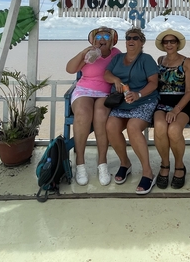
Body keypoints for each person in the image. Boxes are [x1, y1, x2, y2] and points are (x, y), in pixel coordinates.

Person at [104, 27, 159, 195]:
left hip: (144, 100)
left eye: (135, 38)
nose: (131, 40)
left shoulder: (146, 59)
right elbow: (106, 73)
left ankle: (148, 172)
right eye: (128, 37)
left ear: (141, 42)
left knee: (133, 128)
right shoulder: (118, 58)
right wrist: (115, 80)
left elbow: (154, 83)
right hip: (123, 102)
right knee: (111, 127)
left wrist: (138, 94)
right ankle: (125, 163)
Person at [65, 27, 121, 186]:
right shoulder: (88, 53)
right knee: (82, 114)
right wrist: (84, 53)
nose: (101, 39)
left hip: (105, 93)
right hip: (84, 90)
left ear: (111, 41)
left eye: (106, 36)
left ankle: (102, 162)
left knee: (101, 115)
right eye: (98, 36)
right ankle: (80, 163)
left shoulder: (116, 54)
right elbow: (70, 69)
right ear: (93, 39)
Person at [152, 29, 190, 190]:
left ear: (177, 44)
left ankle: (179, 166)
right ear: (163, 45)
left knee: (174, 131)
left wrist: (176, 110)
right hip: (162, 103)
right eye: (166, 42)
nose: (169, 44)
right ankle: (164, 164)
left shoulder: (187, 62)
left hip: (182, 103)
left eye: (172, 41)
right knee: (160, 127)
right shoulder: (160, 60)